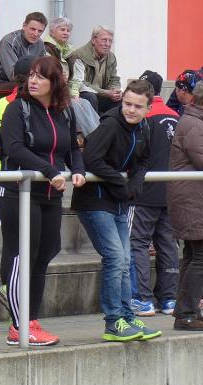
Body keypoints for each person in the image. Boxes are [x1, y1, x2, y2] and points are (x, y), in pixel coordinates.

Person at [0, 56, 85, 346]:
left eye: (41, 77)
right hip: (20, 194)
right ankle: (18, 326)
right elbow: (14, 148)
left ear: (55, 83)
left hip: (50, 195)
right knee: (22, 255)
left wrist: (79, 170)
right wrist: (49, 170)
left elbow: (72, 148)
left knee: (45, 252)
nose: (33, 81)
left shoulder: (65, 112)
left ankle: (31, 320)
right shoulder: (17, 108)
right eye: (31, 75)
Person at [71, 80, 162, 342]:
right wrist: (120, 184)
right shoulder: (111, 124)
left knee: (125, 260)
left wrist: (135, 183)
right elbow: (91, 158)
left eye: (138, 106)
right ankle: (114, 322)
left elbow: (144, 160)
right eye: (127, 104)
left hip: (119, 201)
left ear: (148, 108)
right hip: (95, 201)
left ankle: (127, 317)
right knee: (115, 258)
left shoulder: (143, 127)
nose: (131, 110)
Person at [128, 71, 179, 317]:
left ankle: (142, 299)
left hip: (145, 191)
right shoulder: (175, 116)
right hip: (171, 190)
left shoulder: (144, 116)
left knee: (137, 242)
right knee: (167, 244)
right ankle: (169, 299)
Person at [168, 83, 203, 331]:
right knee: (199, 257)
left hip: (191, 199)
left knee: (193, 256)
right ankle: (187, 314)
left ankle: (185, 311)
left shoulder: (192, 120)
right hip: (192, 201)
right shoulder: (194, 124)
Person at [42, 17, 99, 137]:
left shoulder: (71, 51)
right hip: (52, 91)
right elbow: (47, 74)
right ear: (52, 32)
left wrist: (74, 93)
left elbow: (76, 77)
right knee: (76, 105)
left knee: (86, 102)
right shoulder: (45, 49)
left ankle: (101, 135)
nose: (66, 33)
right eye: (62, 29)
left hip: (66, 91)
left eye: (68, 30)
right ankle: (94, 139)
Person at [0, 12, 47, 106]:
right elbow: (14, 75)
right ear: (24, 26)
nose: (36, 34)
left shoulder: (40, 44)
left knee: (50, 87)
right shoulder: (9, 41)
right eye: (32, 29)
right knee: (30, 88)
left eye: (40, 31)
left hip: (23, 84)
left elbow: (43, 70)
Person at [71, 26, 121, 114]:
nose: (108, 44)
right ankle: (95, 123)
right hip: (83, 93)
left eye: (110, 41)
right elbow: (82, 84)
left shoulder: (111, 57)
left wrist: (115, 91)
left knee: (120, 100)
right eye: (104, 40)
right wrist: (106, 92)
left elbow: (114, 79)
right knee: (91, 97)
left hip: (103, 94)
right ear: (93, 40)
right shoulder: (80, 55)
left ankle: (111, 122)